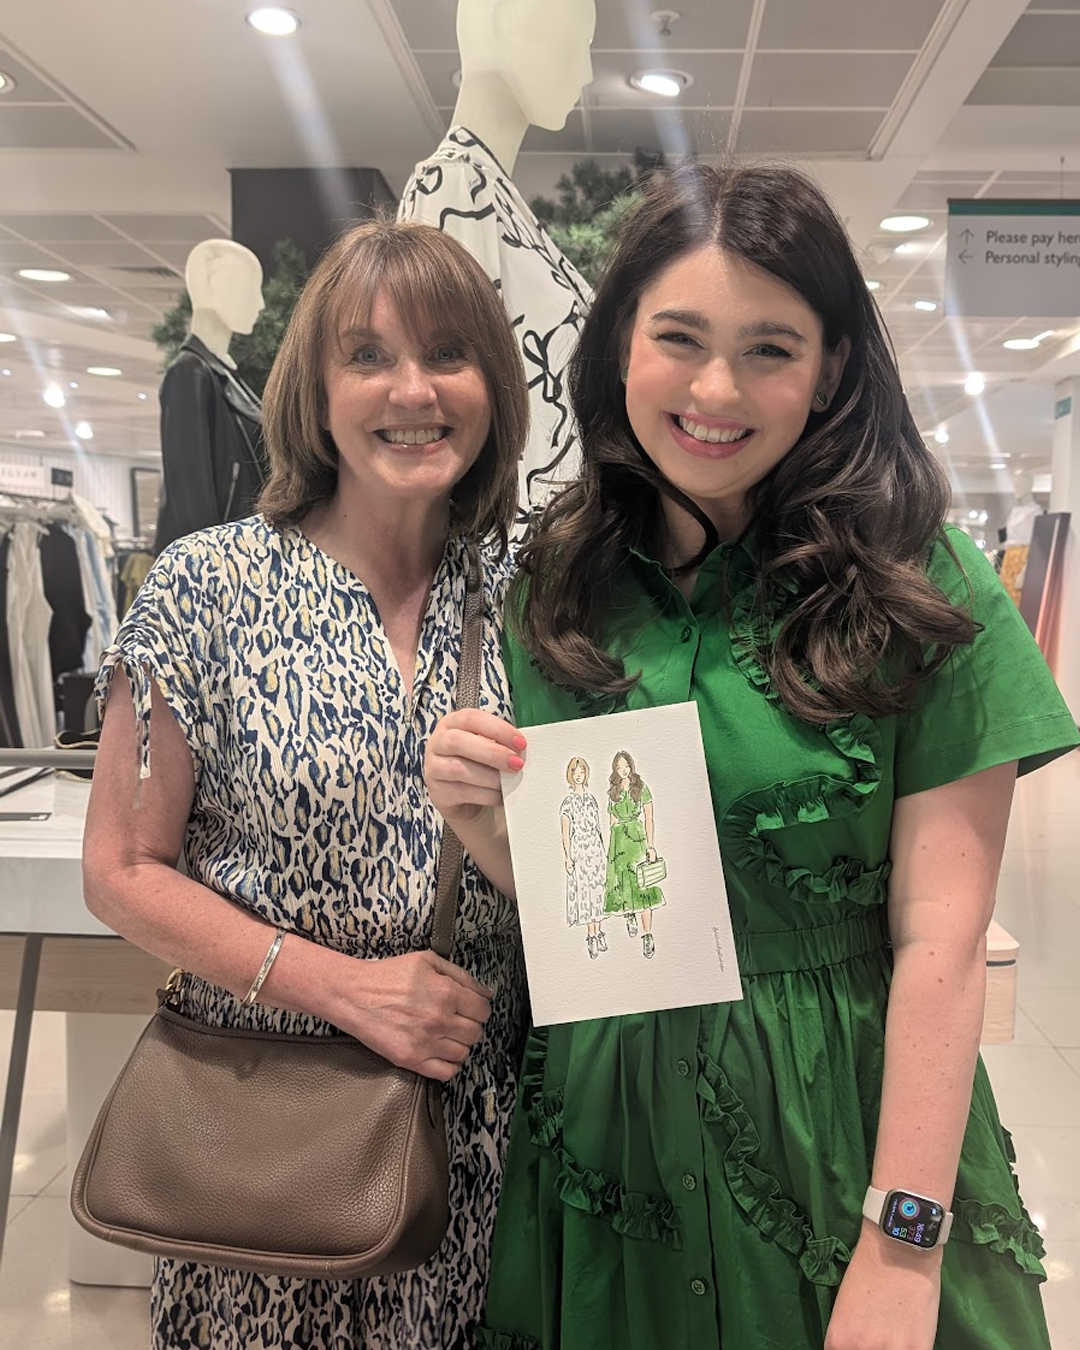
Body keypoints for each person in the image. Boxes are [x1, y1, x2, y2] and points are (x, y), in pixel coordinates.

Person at [424, 164, 1080, 1349]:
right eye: (679, 338)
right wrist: (483, 826)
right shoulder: (558, 584)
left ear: (830, 367)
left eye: (770, 348)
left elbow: (943, 944)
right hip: (613, 1141)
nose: (716, 389)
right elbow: (609, 916)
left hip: (844, 1131)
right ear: (622, 343)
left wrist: (903, 1244)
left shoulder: (920, 584)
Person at [82, 218, 530, 1350]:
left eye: (447, 352)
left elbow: (601, 880)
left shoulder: (536, 601)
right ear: (316, 392)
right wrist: (343, 986)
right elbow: (123, 870)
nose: (413, 389)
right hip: (263, 1118)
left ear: (492, 385)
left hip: (486, 1140)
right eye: (368, 356)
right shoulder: (207, 586)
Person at [604, 749, 664, 957]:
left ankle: (647, 934)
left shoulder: (641, 787)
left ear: (631, 767)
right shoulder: (613, 791)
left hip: (637, 839)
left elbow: (649, 818)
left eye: (626, 766)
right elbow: (611, 821)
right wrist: (609, 850)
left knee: (643, 887)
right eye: (619, 767)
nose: (623, 770)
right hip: (618, 842)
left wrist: (651, 846)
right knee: (622, 883)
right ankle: (628, 914)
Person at [560, 757, 607, 958]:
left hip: (595, 849)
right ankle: (591, 937)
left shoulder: (591, 799)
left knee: (598, 892)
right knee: (585, 894)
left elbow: (598, 828)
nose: (578, 775)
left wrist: (603, 852)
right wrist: (568, 857)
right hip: (580, 850)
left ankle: (600, 932)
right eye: (575, 772)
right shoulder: (568, 802)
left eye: (581, 771)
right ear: (570, 775)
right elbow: (565, 833)